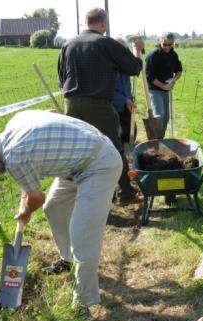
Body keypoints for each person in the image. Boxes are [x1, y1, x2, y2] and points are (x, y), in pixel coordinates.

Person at [0, 110, 122, 309]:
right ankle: (68, 260)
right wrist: (25, 197)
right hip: (74, 163)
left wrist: (26, 211)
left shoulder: (14, 156)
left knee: (82, 235)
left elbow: (36, 198)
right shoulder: (13, 125)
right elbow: (30, 181)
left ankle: (82, 303)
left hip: (99, 164)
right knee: (54, 207)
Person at [58, 7, 144, 204]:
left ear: (85, 23)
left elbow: (62, 78)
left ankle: (74, 198)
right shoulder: (105, 43)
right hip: (98, 106)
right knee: (113, 149)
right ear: (103, 23)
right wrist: (136, 51)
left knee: (77, 151)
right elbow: (133, 67)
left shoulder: (68, 44)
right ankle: (125, 193)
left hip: (71, 106)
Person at [145, 32, 183, 138]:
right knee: (159, 116)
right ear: (160, 41)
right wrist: (163, 86)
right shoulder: (153, 55)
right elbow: (149, 76)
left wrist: (173, 80)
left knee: (166, 117)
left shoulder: (173, 55)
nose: (167, 47)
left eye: (170, 45)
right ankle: (155, 140)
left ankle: (160, 139)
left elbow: (179, 70)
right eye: (164, 44)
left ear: (173, 43)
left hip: (166, 90)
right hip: (155, 90)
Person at [112, 36, 136, 149]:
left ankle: (128, 155)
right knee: (118, 135)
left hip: (127, 104)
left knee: (131, 131)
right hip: (114, 107)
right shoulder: (108, 65)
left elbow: (135, 67)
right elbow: (108, 91)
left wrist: (136, 49)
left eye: (124, 50)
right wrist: (124, 100)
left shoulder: (125, 63)